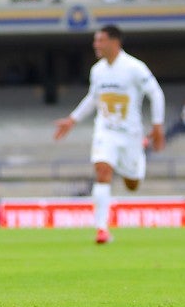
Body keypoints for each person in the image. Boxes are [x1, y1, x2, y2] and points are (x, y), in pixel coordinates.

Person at [54, 25, 165, 244]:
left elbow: (156, 93)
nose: (96, 45)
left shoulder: (135, 67)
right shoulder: (98, 70)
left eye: (100, 40)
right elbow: (93, 98)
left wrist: (157, 125)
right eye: (95, 41)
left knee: (132, 184)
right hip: (105, 131)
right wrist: (72, 119)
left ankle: (134, 165)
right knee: (102, 171)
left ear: (115, 42)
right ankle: (102, 229)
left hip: (131, 135)